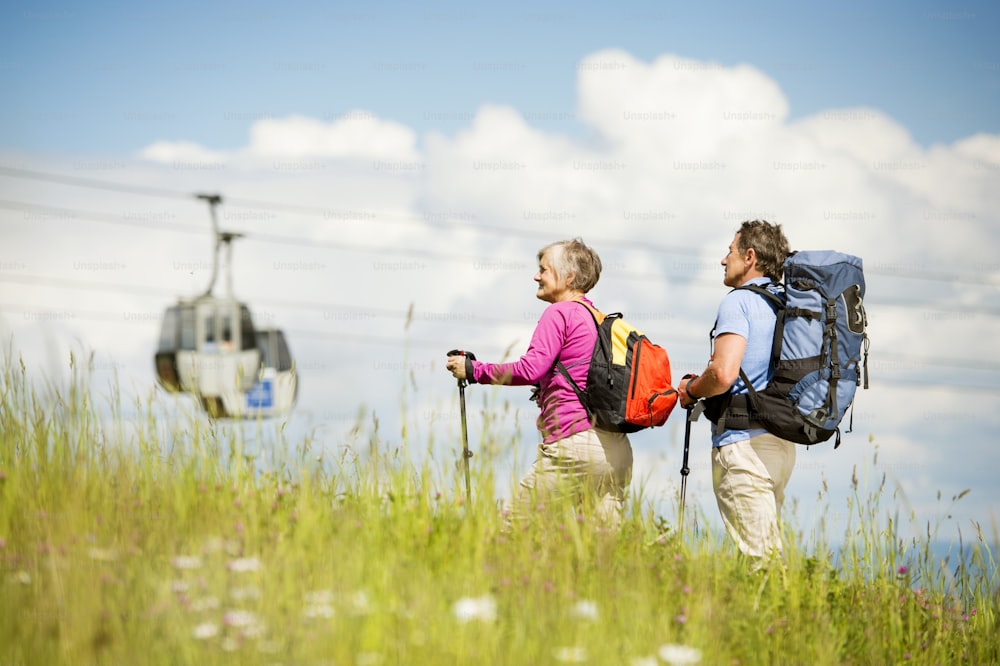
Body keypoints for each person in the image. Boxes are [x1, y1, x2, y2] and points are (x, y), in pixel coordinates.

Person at [445, 239, 633, 527]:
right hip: (615, 450)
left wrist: (473, 370)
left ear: (568, 277)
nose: (536, 276)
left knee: (514, 532)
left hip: (574, 447)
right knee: (601, 555)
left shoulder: (560, 312)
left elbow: (530, 369)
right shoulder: (597, 319)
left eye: (543, 269)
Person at [678, 220, 796, 565]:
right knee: (766, 551)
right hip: (780, 445)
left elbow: (723, 373)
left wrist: (690, 389)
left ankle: (773, 619)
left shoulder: (739, 302)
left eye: (729, 251)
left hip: (742, 444)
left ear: (749, 256)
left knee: (762, 561)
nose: (722, 260)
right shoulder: (785, 304)